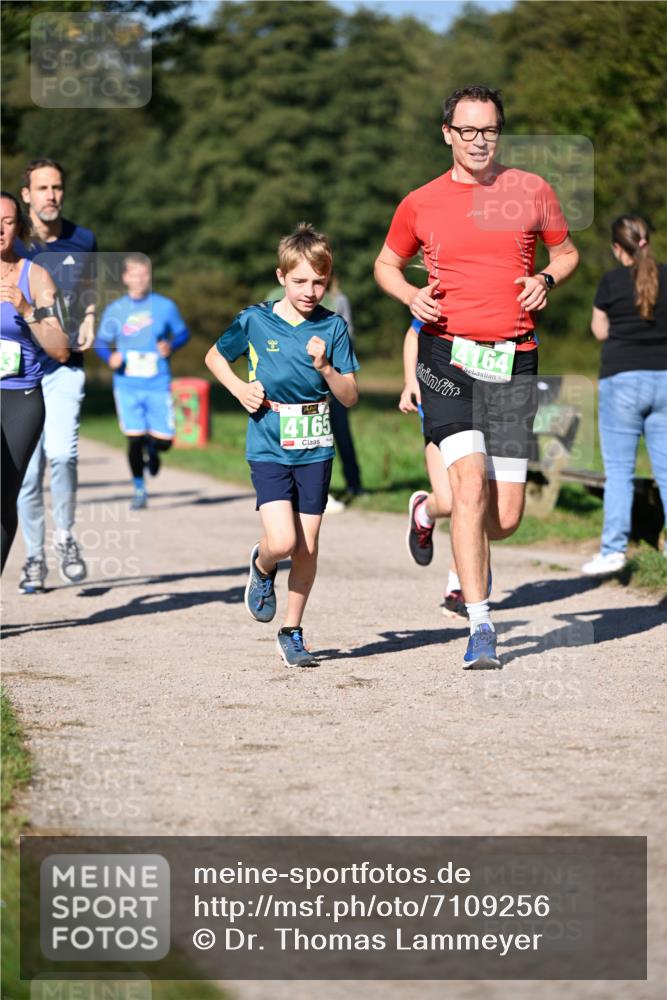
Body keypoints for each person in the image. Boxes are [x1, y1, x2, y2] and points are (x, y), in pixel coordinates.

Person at [374, 84, 579, 667]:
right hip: (447, 361)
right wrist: (411, 294)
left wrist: (548, 279)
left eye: (489, 130)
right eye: (467, 130)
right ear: (447, 134)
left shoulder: (531, 190)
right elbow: (385, 265)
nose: (479, 140)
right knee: (467, 485)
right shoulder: (421, 202)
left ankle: (426, 509)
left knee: (506, 517)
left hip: (514, 360)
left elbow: (565, 253)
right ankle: (480, 626)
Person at [205, 222, 359, 668]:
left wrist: (327, 367)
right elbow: (215, 356)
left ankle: (292, 631)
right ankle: (262, 565)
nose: (310, 290)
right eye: (300, 281)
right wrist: (238, 389)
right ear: (281, 277)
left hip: (316, 446)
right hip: (269, 442)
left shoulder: (333, 327)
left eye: (319, 282)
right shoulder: (255, 319)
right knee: (284, 540)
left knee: (307, 545)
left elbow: (349, 395)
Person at [15, 158, 97, 593]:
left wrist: (88, 317)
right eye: (42, 188)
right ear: (26, 194)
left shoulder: (83, 240)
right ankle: (33, 557)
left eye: (57, 187)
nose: (51, 195)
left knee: (62, 456)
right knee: (27, 473)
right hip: (19, 374)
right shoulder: (11, 243)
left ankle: (64, 537)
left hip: (65, 367)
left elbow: (87, 291)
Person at [581, 215, 667, 575]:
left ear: (619, 248)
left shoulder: (610, 282)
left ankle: (614, 549)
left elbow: (599, 330)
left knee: (618, 471)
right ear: (647, 241)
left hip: (621, 381)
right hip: (665, 378)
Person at [1, 192, 70, 575]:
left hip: (19, 398)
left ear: (19, 227)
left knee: (3, 496)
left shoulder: (36, 275)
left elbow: (60, 350)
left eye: (7, 221)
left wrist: (27, 310)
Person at [94, 254, 190, 509]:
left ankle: (154, 448)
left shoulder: (164, 306)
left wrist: (171, 345)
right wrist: (109, 357)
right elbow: (101, 342)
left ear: (150, 276)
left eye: (144, 274)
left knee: (165, 442)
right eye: (134, 274)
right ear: (125, 277)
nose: (139, 279)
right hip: (127, 384)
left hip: (158, 382)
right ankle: (139, 489)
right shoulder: (116, 310)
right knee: (133, 438)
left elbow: (182, 333)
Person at [399, 318, 467, 620]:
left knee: (473, 503)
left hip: (488, 407)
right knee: (451, 501)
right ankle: (425, 511)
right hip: (441, 407)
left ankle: (457, 587)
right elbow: (414, 334)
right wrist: (410, 382)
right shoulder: (449, 294)